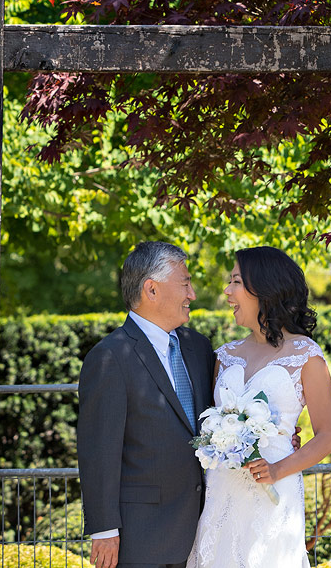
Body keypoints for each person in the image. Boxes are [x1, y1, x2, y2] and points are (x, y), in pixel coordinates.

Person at [186, 245, 331, 568]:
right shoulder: (224, 356)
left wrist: (277, 469)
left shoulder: (306, 356)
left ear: (265, 289)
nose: (227, 292)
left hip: (274, 497)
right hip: (222, 492)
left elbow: (328, 436)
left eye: (236, 282)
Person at [77, 241, 214, 568]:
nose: (192, 294)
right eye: (185, 283)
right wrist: (104, 528)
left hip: (207, 528)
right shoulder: (110, 357)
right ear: (151, 290)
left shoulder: (200, 347)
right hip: (142, 536)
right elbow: (99, 449)